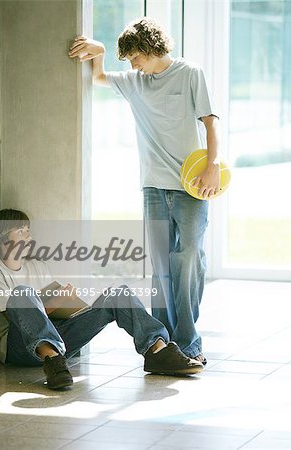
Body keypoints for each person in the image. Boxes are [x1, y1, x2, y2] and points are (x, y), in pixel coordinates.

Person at [68, 17, 220, 364]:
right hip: (153, 186)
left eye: (135, 56)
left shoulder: (190, 73)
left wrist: (212, 167)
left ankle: (189, 341)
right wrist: (101, 52)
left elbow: (211, 122)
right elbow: (100, 77)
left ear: (151, 48)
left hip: (191, 185)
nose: (133, 64)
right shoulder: (136, 82)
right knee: (161, 268)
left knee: (189, 259)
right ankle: (165, 345)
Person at [0, 209, 203, 390]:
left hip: (57, 338)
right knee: (22, 292)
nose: (28, 236)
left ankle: (157, 350)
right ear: (1, 236)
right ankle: (53, 361)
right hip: (16, 348)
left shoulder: (37, 266)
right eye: (21, 231)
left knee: (118, 294)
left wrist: (68, 304)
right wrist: (55, 302)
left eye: (28, 230)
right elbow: (16, 317)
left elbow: (49, 309)